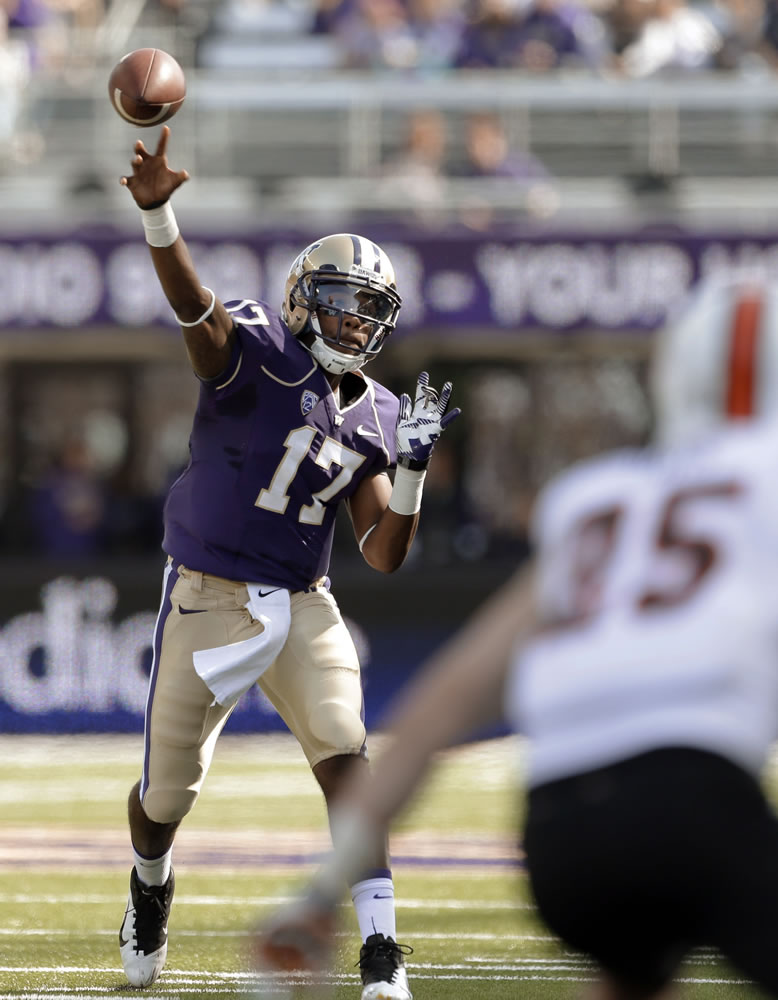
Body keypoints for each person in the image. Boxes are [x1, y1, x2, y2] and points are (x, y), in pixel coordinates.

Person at [254, 272, 778, 1000]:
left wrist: (321, 890)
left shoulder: (598, 501)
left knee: (633, 971)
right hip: (696, 801)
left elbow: (450, 696)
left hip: (561, 838)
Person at [115, 125, 460, 998]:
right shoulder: (259, 348)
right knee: (163, 800)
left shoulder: (379, 411)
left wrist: (412, 474)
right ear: (305, 299)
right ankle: (150, 885)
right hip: (207, 594)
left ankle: (381, 950)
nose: (354, 320)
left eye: (367, 310)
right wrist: (161, 217)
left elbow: (382, 554)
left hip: (305, 599)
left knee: (349, 753)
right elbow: (198, 316)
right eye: (341, 302)